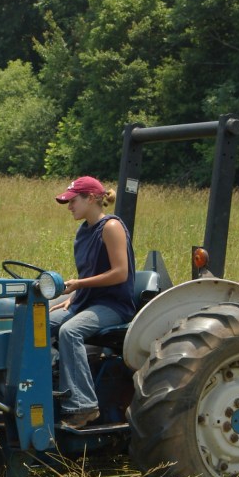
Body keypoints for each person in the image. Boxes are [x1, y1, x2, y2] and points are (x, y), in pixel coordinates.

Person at [49, 176, 135, 429]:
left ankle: (83, 406)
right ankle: (40, 392)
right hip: (87, 301)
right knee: (38, 323)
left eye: (73, 201)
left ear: (91, 199)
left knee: (70, 331)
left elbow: (120, 273)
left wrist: (79, 286)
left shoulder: (111, 227)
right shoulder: (83, 231)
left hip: (113, 305)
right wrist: (73, 297)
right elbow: (89, 273)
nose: (69, 206)